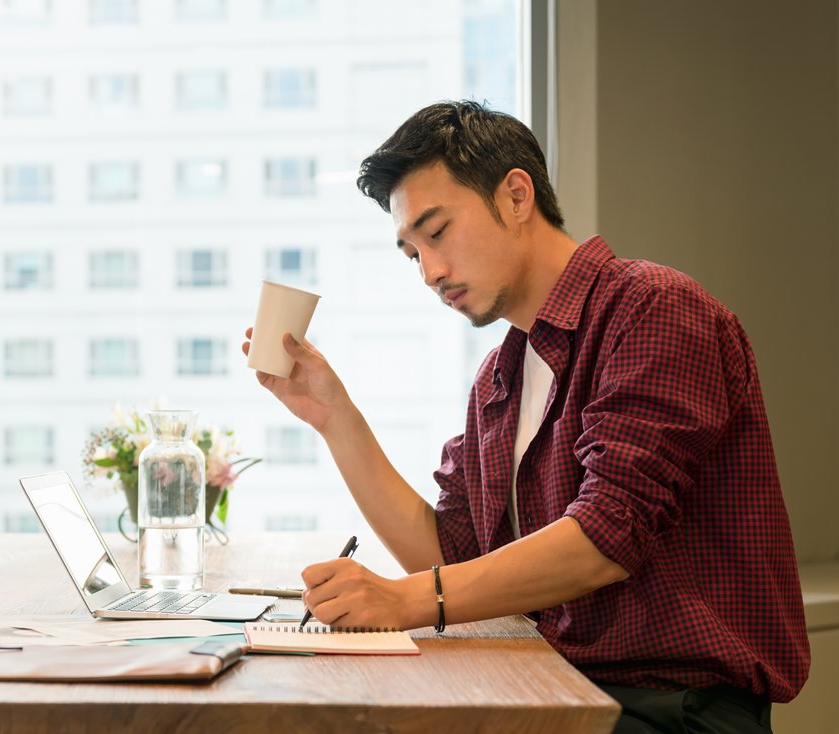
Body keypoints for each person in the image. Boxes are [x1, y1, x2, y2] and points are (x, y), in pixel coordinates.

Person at [241, 100, 808, 733]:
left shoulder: (653, 308)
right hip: (555, 686)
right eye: (411, 254)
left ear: (516, 195)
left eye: (437, 232)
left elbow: (607, 535)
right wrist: (335, 418)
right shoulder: (499, 378)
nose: (428, 272)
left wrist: (403, 601)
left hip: (669, 710)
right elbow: (448, 556)